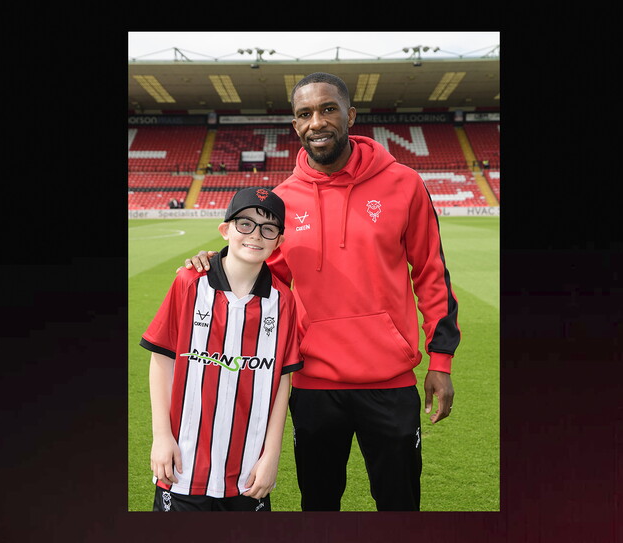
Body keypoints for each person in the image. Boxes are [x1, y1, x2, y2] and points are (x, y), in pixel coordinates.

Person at [183, 72, 460, 511]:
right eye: (305, 114)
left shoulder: (404, 184)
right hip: (312, 384)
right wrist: (212, 263)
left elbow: (431, 274)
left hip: (389, 382)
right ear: (295, 125)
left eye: (328, 109)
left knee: (400, 503)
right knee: (318, 503)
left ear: (350, 115)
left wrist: (440, 361)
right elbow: (260, 279)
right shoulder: (280, 201)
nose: (317, 121)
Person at [142, 186, 303, 511]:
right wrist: (161, 436)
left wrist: (271, 456)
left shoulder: (283, 301)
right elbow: (162, 359)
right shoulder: (189, 282)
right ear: (225, 229)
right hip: (183, 467)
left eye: (268, 228)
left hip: (248, 474)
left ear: (278, 242)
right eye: (245, 224)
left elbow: (282, 380)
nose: (255, 235)